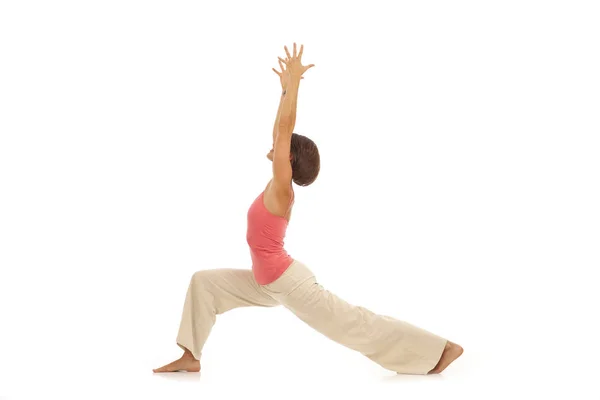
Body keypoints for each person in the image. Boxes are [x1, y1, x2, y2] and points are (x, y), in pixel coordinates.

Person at [153, 43, 463, 375]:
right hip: (266, 284)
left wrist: (296, 83)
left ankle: (438, 349)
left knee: (354, 323)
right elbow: (279, 131)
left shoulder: (282, 191)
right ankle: (190, 355)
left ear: (288, 161)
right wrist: (284, 90)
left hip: (289, 284)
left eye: (282, 146)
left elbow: (284, 131)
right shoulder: (274, 187)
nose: (275, 144)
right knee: (204, 283)